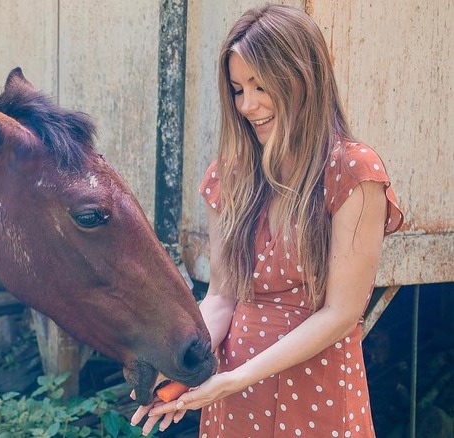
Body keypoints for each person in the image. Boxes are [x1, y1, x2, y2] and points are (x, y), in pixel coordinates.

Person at [131, 4, 403, 437]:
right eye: (238, 89)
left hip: (317, 386)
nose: (248, 105)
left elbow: (341, 312)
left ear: (303, 77)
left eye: (260, 86)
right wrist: (183, 366)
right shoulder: (230, 173)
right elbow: (222, 296)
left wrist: (237, 378)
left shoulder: (353, 173)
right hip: (235, 389)